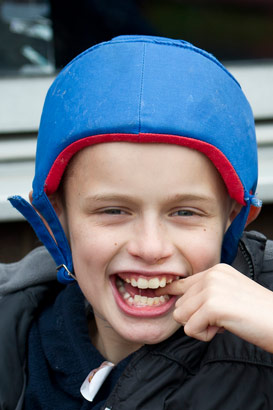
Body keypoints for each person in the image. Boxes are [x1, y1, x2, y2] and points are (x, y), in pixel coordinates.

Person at [1, 35, 273, 410]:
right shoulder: (11, 341)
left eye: (185, 212)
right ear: (53, 220)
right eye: (113, 211)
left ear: (233, 221)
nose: (150, 247)